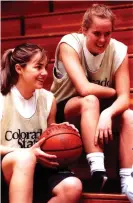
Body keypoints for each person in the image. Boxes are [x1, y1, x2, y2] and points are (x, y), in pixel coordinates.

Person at [50, 3, 133, 197]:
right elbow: (84, 88)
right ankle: (97, 169)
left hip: (99, 109)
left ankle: (127, 180)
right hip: (65, 108)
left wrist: (108, 113)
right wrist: (114, 92)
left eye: (108, 34)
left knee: (129, 115)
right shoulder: (69, 43)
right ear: (84, 30)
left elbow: (124, 98)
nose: (103, 39)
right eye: (97, 33)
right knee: (90, 100)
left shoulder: (119, 50)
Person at [0, 43, 82, 203]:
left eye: (45, 67)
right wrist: (27, 151)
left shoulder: (47, 99)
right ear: (19, 69)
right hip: (7, 166)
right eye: (38, 67)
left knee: (72, 187)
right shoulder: (3, 98)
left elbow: (49, 132)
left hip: (37, 164)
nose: (44, 73)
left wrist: (63, 130)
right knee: (25, 158)